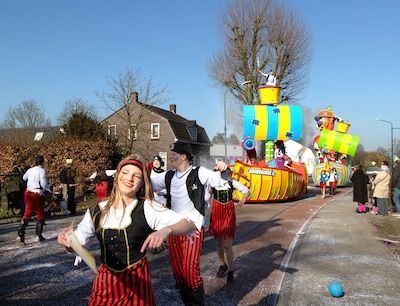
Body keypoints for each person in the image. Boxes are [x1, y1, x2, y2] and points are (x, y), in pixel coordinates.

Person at [57, 155, 195, 306]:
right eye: (125, 172)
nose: (129, 178)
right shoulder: (95, 211)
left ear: (142, 183)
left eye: (136, 176)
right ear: (117, 177)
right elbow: (78, 245)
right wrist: (68, 243)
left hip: (137, 283)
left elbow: (189, 224)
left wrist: (166, 230)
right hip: (106, 283)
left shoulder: (148, 207)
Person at [151, 141, 230, 306]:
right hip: (173, 230)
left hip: (192, 232)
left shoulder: (199, 172)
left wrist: (224, 168)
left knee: (190, 273)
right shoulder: (168, 176)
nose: (170, 156)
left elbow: (219, 179)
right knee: (179, 274)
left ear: (183, 155)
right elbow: (147, 182)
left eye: (173, 153)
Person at [208, 168, 249, 283]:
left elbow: (246, 190)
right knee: (218, 243)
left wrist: (242, 201)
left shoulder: (232, 183)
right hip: (216, 213)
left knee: (227, 244)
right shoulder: (212, 182)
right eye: (218, 171)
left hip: (228, 214)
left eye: (223, 171)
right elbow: (206, 196)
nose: (221, 173)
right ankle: (223, 265)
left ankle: (231, 270)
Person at [17, 155, 49, 243]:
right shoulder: (42, 170)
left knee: (27, 212)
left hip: (28, 192)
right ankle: (38, 235)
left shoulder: (30, 170)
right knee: (40, 212)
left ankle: (21, 231)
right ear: (42, 162)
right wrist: (46, 189)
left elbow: (24, 178)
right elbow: (43, 183)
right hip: (36, 192)